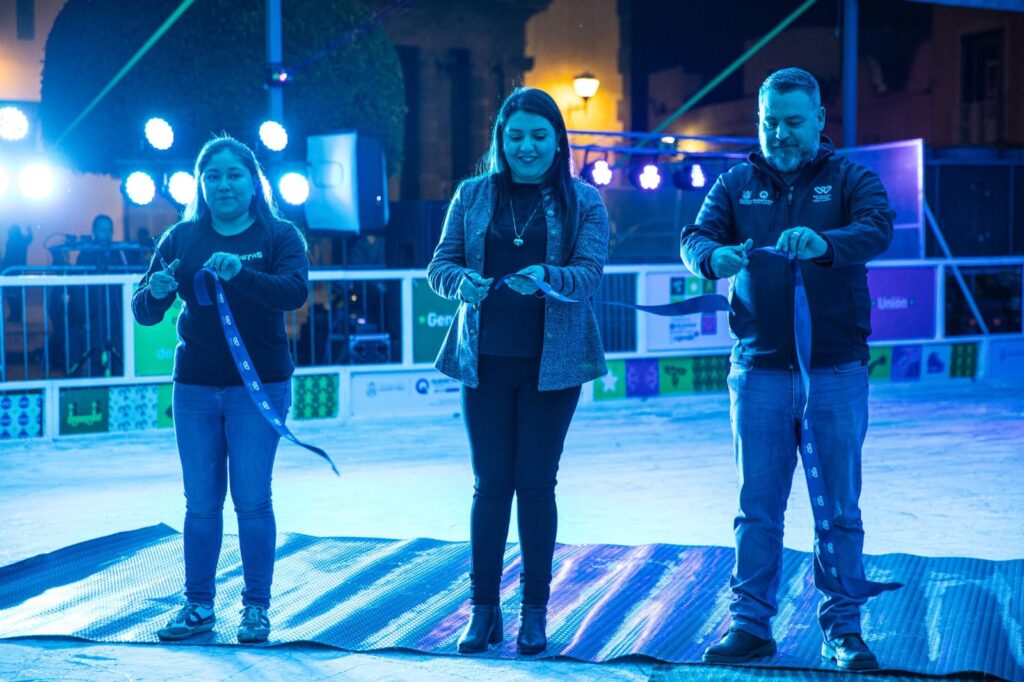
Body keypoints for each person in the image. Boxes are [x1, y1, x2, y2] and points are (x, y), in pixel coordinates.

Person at [680, 67, 893, 671]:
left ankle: (844, 629)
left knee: (840, 508)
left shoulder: (851, 178)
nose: (781, 133)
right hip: (760, 373)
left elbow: (878, 228)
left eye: (794, 121)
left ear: (820, 121)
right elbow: (694, 236)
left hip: (836, 371)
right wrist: (710, 256)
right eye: (770, 121)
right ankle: (750, 625)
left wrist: (826, 244)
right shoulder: (735, 182)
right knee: (758, 506)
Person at [427, 87, 609, 655]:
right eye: (515, 135)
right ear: (500, 141)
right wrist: (463, 284)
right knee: (488, 486)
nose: (526, 146)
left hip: (552, 368)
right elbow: (440, 264)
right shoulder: (473, 194)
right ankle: (484, 612)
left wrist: (551, 277)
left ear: (558, 140)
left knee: (535, 485)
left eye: (538, 135)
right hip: (483, 362)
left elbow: (590, 272)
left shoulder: (584, 201)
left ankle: (534, 612)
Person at [132, 136, 309, 644]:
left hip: (260, 385)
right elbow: (143, 311)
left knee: (252, 499)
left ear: (254, 182)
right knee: (201, 503)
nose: (224, 184)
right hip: (194, 388)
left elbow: (294, 292)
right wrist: (158, 292)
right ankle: (198, 605)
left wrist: (244, 273)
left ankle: (256, 608)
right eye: (214, 176)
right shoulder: (181, 238)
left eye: (235, 175)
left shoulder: (279, 235)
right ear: (201, 185)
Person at [69, 215, 127, 376]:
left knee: (118, 352)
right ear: (94, 231)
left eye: (109, 230)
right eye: (102, 230)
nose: (106, 234)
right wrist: (82, 315)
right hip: (93, 313)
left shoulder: (118, 253)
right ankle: (98, 387)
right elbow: (79, 288)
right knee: (95, 351)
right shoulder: (86, 254)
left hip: (115, 312)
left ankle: (118, 383)